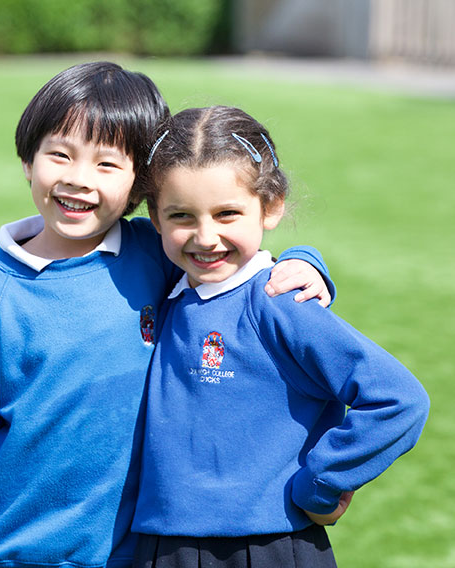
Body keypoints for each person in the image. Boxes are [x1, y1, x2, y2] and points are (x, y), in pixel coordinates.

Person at [0, 63, 334, 568]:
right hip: (15, 551)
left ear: (141, 187)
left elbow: (234, 259)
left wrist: (305, 261)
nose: (77, 179)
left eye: (106, 164)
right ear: (28, 159)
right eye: (60, 154)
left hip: (137, 553)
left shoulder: (157, 251)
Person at [129, 106, 430, 568]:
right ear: (155, 217)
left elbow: (399, 400)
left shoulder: (279, 301)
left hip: (269, 546)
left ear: (271, 206)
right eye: (181, 216)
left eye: (227, 213)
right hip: (161, 545)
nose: (205, 237)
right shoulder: (167, 286)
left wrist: (321, 484)